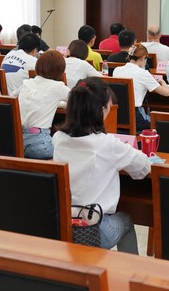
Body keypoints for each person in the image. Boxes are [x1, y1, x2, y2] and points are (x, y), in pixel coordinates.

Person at [52, 77, 150, 254]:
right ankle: (130, 269)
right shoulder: (108, 144)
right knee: (126, 220)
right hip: (94, 231)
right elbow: (143, 168)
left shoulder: (58, 138)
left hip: (64, 225)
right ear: (101, 110)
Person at [15, 51, 70, 159]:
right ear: (60, 70)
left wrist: (55, 103)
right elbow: (79, 101)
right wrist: (62, 105)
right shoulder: (58, 87)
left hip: (18, 143)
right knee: (68, 152)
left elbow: (12, 98)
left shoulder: (27, 83)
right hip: (40, 145)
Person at [113, 44, 169, 131]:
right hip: (136, 119)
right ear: (143, 58)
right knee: (160, 125)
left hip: (117, 116)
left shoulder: (117, 70)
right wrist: (162, 81)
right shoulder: (143, 73)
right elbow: (166, 93)